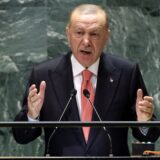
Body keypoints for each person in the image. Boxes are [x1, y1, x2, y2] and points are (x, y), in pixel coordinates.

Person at [12, 4, 160, 157]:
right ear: (68, 34)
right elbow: (21, 137)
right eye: (79, 33)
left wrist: (144, 121)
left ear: (106, 36)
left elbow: (149, 135)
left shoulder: (127, 73)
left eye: (94, 34)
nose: (86, 41)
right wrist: (32, 116)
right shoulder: (43, 75)